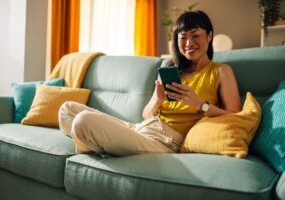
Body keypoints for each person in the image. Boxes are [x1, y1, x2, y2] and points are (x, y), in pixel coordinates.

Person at [58, 10, 241, 156]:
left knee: (83, 121)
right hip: (142, 127)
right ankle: (102, 145)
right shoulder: (171, 69)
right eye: (182, 37)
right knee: (67, 110)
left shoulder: (221, 71)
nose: (188, 43)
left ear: (209, 36)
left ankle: (98, 144)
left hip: (166, 141)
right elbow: (146, 115)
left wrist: (200, 104)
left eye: (195, 35)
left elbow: (235, 116)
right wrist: (157, 100)